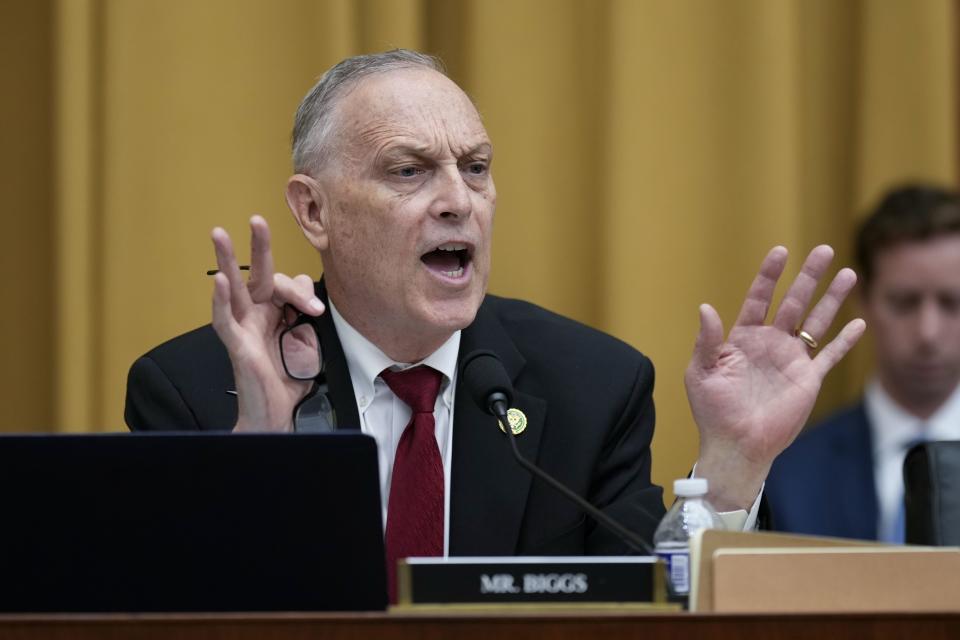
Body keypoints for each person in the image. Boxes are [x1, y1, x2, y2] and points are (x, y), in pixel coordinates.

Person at [126, 50, 863, 568]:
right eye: (409, 171)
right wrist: (257, 451)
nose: (457, 201)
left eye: (476, 169)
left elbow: (642, 613)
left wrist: (732, 464)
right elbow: (166, 616)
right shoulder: (195, 387)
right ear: (314, 212)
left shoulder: (590, 386)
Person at [766, 185, 960, 542]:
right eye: (904, 302)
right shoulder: (793, 470)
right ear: (863, 300)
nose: (928, 333)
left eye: (952, 302)